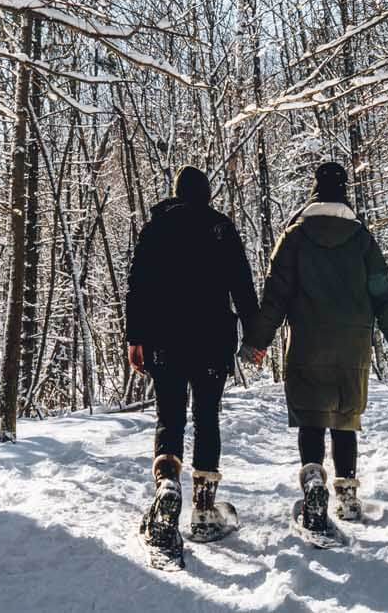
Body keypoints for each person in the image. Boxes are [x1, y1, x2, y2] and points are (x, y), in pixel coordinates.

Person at [241, 161, 388, 537]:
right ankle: (348, 495)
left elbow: (276, 295)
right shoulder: (363, 240)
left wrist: (256, 342)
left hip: (307, 341)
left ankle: (314, 483)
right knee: (345, 418)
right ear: (345, 192)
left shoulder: (296, 237)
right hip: (352, 346)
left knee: (312, 416)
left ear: (314, 191)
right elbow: (386, 297)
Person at [125, 165, 260, 558]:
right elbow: (242, 284)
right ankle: (203, 509)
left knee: (169, 415)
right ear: (207, 194)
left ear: (176, 193)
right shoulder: (221, 228)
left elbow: (138, 286)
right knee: (206, 416)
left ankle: (167, 485)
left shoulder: (156, 228)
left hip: (164, 339)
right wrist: (254, 335)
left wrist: (136, 339)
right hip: (212, 339)